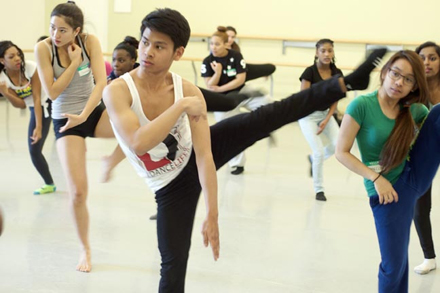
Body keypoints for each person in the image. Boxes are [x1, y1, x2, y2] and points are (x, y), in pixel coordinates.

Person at [103, 7, 386, 292]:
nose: (147, 51)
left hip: (193, 157)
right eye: (145, 42)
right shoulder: (118, 90)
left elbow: (204, 156)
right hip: (168, 188)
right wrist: (179, 107)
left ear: (178, 53)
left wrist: (212, 214)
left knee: (266, 116)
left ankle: (346, 82)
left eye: (159, 46)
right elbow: (138, 141)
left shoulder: (187, 90)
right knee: (173, 265)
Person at [335, 50, 440, 293]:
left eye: (408, 79)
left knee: (437, 113)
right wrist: (376, 179)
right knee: (394, 265)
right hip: (388, 192)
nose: (399, 82)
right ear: (385, 72)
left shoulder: (414, 110)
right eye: (396, 74)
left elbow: (429, 136)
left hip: (414, 174)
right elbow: (342, 152)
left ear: (414, 86)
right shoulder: (362, 105)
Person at [34, 1, 124, 272]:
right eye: (52, 28)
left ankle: (111, 161)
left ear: (77, 31)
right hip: (66, 120)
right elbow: (51, 93)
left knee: (137, 126)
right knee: (78, 193)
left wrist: (86, 114)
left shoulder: (90, 42)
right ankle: (85, 249)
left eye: (62, 30)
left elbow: (101, 82)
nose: (56, 35)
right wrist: (73, 64)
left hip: (92, 111)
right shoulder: (44, 49)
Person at [202, 26, 272, 175]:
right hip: (223, 101)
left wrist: (220, 88)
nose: (213, 47)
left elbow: (240, 79)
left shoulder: (236, 56)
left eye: (217, 44)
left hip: (241, 92)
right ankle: (237, 164)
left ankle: (262, 127)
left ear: (226, 44)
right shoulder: (207, 61)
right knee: (229, 131)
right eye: (211, 44)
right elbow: (209, 84)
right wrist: (218, 72)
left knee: (268, 102)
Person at [0, 40, 56, 195]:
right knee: (34, 150)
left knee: (55, 139)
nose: (18, 58)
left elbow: (37, 98)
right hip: (35, 108)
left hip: (50, 102)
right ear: (2, 61)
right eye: (11, 56)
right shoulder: (2, 79)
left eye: (18, 54)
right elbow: (21, 105)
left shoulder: (30, 67)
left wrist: (38, 127)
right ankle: (50, 184)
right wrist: (5, 93)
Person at [298, 39, 343, 201]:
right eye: (323, 51)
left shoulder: (337, 73)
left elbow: (335, 99)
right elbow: (303, 98)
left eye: (330, 51)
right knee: (318, 152)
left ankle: (312, 160)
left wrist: (328, 118)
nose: (327, 54)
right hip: (308, 115)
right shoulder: (309, 72)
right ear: (317, 53)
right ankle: (319, 189)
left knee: (338, 146)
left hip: (326, 114)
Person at [412, 41, 440, 274]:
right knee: (420, 207)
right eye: (422, 58)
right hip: (423, 152)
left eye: (433, 58)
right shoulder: (413, 89)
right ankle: (429, 257)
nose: (427, 63)